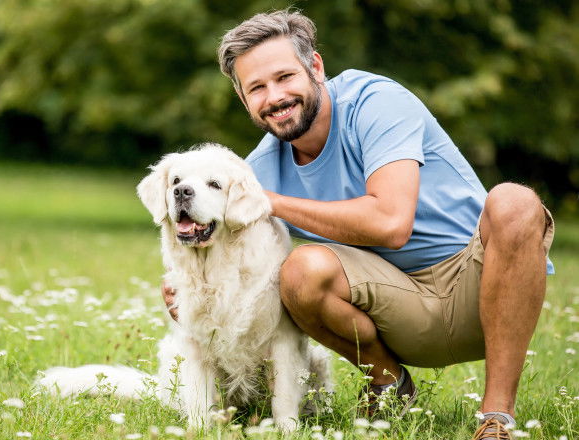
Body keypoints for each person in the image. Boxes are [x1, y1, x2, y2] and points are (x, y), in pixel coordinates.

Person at [164, 9, 555, 440]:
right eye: (256, 87)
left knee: (515, 202)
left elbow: (391, 223)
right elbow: (227, 249)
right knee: (300, 271)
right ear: (244, 99)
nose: (274, 96)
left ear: (315, 67)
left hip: (481, 292)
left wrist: (274, 202)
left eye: (284, 77)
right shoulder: (253, 173)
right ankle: (389, 384)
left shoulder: (375, 102)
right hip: (394, 313)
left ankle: (496, 418)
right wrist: (186, 291)